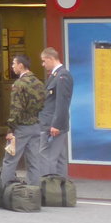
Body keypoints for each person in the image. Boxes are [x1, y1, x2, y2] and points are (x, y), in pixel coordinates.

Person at [2, 54, 46, 185]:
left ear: (20, 65)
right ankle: (34, 192)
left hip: (20, 127)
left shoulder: (19, 84)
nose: (12, 67)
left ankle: (5, 189)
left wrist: (11, 129)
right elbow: (42, 104)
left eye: (13, 64)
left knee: (10, 160)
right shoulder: (39, 83)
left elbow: (16, 108)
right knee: (33, 162)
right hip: (35, 125)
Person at [39, 46, 74, 177]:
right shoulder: (56, 75)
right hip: (52, 122)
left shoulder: (62, 76)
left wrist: (56, 125)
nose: (43, 64)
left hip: (53, 124)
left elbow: (62, 102)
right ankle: (60, 188)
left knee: (47, 157)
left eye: (44, 61)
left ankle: (49, 188)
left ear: (50, 58)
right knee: (59, 158)